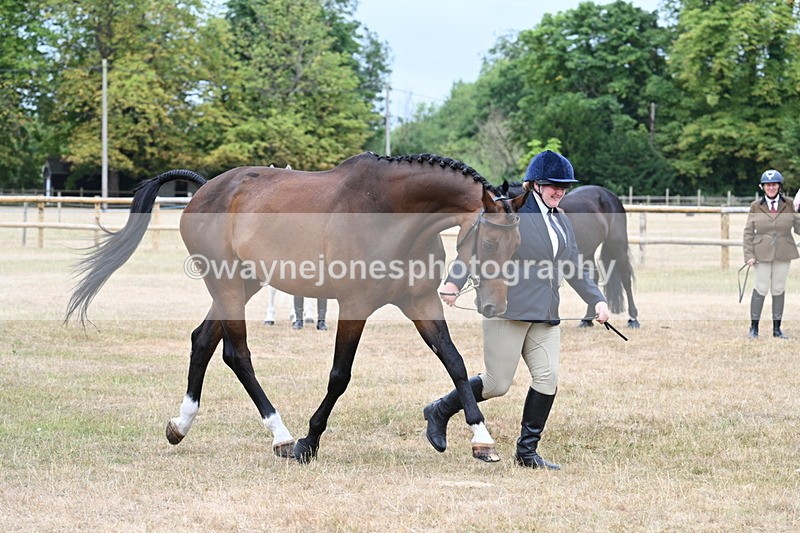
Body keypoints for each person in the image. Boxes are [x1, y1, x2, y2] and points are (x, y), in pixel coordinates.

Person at [424, 150, 610, 470]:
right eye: (553, 185)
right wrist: (454, 283)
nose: (559, 191)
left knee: (547, 378)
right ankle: (440, 410)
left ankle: (526, 453)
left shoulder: (561, 219)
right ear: (534, 185)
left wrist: (597, 299)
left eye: (563, 186)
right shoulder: (508, 211)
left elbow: (574, 265)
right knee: (497, 384)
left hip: (546, 312)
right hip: (509, 309)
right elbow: (477, 249)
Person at [743, 169, 800, 339]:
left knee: (778, 288)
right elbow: (748, 233)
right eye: (768, 185)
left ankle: (777, 329)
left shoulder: (789, 204)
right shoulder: (755, 206)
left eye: (774, 184)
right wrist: (749, 255)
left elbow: (797, 227)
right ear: (763, 187)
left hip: (784, 251)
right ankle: (754, 328)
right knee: (760, 288)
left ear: (779, 186)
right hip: (761, 253)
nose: (771, 187)